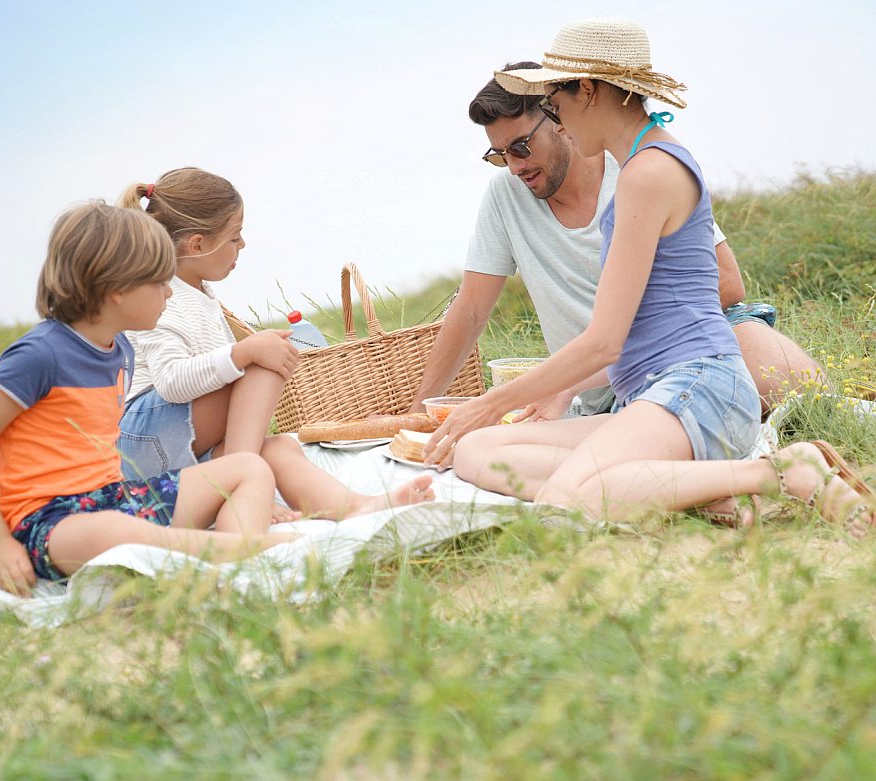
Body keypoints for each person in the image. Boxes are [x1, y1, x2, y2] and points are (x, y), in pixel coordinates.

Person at [422, 18, 874, 534]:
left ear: (588, 91)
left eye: (558, 105)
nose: (561, 121)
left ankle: (779, 471)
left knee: (569, 503)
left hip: (697, 388)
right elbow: (631, 334)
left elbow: (605, 342)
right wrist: (551, 394)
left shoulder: (647, 174)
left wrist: (493, 401)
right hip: (655, 394)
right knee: (478, 453)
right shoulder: (641, 165)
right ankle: (702, 491)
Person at [409, 62, 821, 421]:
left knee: (784, 376)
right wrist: (416, 411)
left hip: (679, 345)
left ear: (559, 117)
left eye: (521, 147)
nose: (514, 167)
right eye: (499, 155)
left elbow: (727, 284)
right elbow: (471, 308)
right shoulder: (505, 196)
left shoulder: (636, 172)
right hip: (594, 383)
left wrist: (616, 342)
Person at [0, 202, 297, 597]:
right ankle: (244, 550)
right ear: (116, 289)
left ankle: (235, 571)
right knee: (115, 533)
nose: (169, 292)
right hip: (49, 523)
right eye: (159, 283)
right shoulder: (39, 355)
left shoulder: (121, 350)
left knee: (248, 467)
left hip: (115, 499)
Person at [118, 167, 435, 519]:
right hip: (146, 440)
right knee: (260, 363)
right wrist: (244, 353)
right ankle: (243, 477)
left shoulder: (199, 294)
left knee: (280, 447)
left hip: (181, 446)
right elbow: (172, 383)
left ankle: (354, 506)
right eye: (235, 237)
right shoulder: (162, 296)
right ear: (198, 244)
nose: (242, 245)